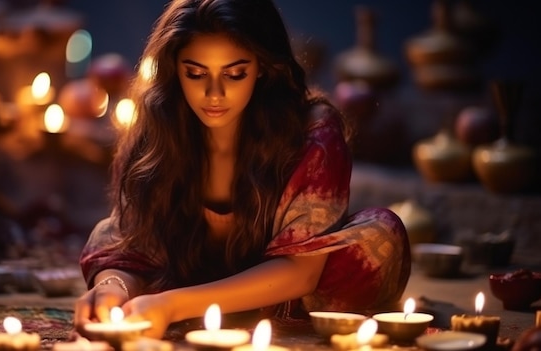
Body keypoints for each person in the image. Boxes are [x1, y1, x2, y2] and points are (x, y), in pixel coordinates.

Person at [75, 0, 410, 339]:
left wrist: (172, 305)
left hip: (282, 290)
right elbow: (136, 245)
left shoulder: (313, 134)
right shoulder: (161, 126)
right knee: (107, 232)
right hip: (189, 269)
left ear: (262, 67)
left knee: (378, 236)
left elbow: (303, 273)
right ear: (175, 68)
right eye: (195, 73)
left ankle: (219, 302)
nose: (214, 94)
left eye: (235, 74)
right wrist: (114, 288)